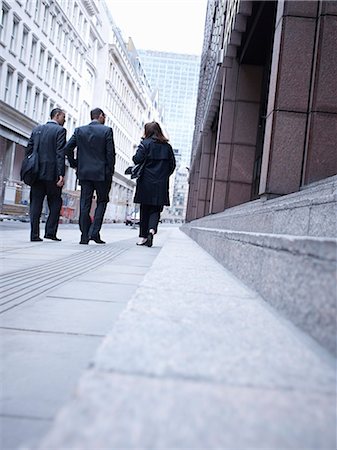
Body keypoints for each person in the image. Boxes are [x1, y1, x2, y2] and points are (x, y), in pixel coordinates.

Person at [64, 108, 115, 244]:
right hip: (102, 173)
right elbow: (110, 154)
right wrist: (110, 171)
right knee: (102, 202)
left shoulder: (80, 130)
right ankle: (95, 232)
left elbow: (68, 148)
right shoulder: (107, 131)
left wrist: (75, 164)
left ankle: (84, 235)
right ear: (100, 116)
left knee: (85, 203)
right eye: (104, 116)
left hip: (84, 173)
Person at [132, 121, 176, 247]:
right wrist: (164, 175)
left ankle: (143, 237)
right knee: (156, 209)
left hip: (145, 181)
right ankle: (151, 230)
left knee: (144, 209)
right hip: (160, 183)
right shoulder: (167, 147)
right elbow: (172, 165)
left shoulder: (145, 144)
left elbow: (136, 159)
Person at [26, 108, 66, 242]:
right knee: (55, 202)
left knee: (36, 203)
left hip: (36, 172)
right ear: (57, 115)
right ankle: (50, 232)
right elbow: (60, 153)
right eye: (63, 117)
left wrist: (29, 168)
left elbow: (29, 149)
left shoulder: (37, 129)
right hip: (52, 173)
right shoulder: (60, 131)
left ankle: (34, 234)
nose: (64, 120)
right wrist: (61, 174)